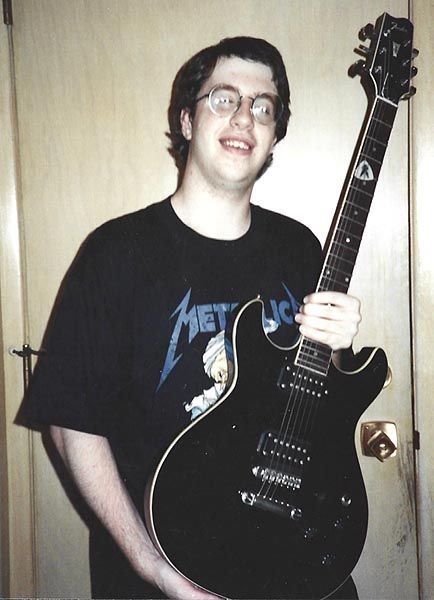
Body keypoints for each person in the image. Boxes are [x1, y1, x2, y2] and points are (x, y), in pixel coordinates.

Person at [21, 37, 362, 599]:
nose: (244, 118)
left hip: (295, 560)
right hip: (165, 563)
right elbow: (70, 424)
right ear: (186, 119)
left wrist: (338, 348)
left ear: (274, 136)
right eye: (224, 99)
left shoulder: (300, 248)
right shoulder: (115, 254)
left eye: (264, 107)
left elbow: (316, 401)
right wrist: (155, 570)